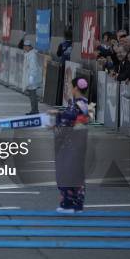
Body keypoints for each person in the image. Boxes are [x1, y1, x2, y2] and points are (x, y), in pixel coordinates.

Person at [48, 77, 90, 213]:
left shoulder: (76, 104)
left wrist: (57, 121)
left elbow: (68, 120)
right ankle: (77, 204)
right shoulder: (83, 103)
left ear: (76, 88)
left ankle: (68, 203)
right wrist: (59, 115)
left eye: (71, 87)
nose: (70, 89)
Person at [24, 40, 42, 115]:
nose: (25, 48)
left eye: (26, 46)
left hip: (32, 78)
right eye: (24, 46)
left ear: (30, 47)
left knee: (32, 95)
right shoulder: (28, 54)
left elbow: (33, 67)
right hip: (30, 77)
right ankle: (34, 110)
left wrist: (31, 76)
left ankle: (35, 110)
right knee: (31, 95)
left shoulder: (32, 55)